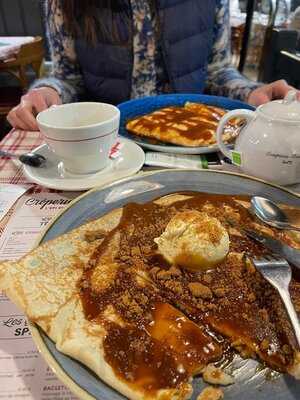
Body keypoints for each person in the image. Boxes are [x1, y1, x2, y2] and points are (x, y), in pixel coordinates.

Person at [7, 0, 295, 131]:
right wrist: (47, 92)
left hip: (195, 140)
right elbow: (68, 78)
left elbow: (217, 70)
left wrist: (251, 93)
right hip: (106, 142)